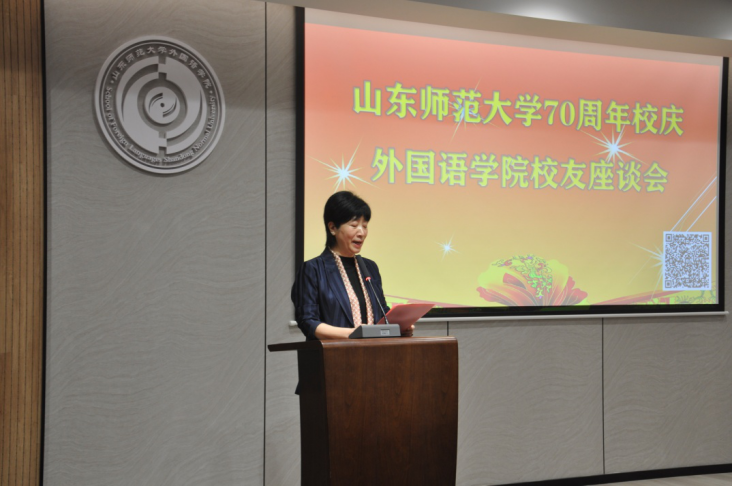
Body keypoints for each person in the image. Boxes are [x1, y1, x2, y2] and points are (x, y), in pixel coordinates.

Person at [292, 191, 410, 339]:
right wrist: (353, 334)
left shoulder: (370, 267)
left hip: (373, 350)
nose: (362, 233)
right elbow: (307, 321)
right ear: (332, 228)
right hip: (333, 351)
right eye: (354, 226)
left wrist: (399, 326)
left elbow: (381, 313)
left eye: (365, 226)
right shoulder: (313, 269)